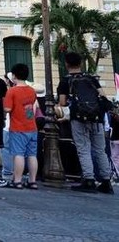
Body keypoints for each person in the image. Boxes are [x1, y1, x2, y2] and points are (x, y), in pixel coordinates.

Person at [57, 51, 113, 194]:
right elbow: (103, 96)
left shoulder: (65, 81)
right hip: (97, 119)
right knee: (100, 150)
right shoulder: (91, 79)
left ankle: (89, 179)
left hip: (78, 118)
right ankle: (106, 180)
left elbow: (62, 102)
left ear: (67, 64)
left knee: (83, 149)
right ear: (81, 63)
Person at [2, 63, 39, 189]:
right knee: (32, 155)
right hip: (32, 126)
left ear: (14, 76)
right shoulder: (31, 91)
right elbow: (30, 107)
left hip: (18, 127)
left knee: (18, 154)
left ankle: (17, 180)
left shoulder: (12, 91)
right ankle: (32, 181)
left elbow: (7, 108)